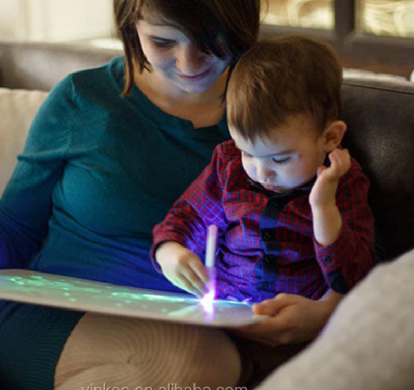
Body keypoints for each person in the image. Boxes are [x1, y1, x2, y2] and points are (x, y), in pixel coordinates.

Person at [0, 0, 360, 390]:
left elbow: (354, 240)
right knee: (198, 364)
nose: (190, 64)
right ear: (130, 25)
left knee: (207, 360)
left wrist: (328, 313)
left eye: (211, 39)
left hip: (207, 329)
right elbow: (15, 231)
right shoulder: (83, 101)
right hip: (60, 319)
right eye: (163, 41)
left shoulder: (282, 111)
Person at [153, 36, 375, 306]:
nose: (261, 172)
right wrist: (169, 251)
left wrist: (323, 208)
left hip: (303, 317)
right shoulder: (230, 166)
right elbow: (187, 216)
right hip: (227, 306)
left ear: (330, 137)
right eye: (248, 153)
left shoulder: (344, 183)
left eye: (280, 159)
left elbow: (352, 276)